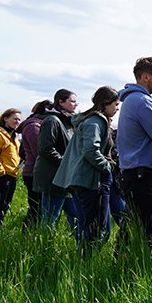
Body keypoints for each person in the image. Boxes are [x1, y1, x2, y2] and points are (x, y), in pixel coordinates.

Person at [52, 87, 120, 254]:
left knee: (90, 227)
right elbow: (90, 151)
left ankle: (84, 261)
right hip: (91, 179)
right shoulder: (95, 122)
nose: (117, 108)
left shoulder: (91, 121)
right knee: (95, 230)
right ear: (105, 103)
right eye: (116, 104)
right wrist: (108, 167)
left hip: (86, 178)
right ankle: (87, 264)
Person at [116, 57, 152, 248]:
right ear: (145, 77)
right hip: (144, 173)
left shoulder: (130, 100)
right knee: (143, 228)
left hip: (133, 171)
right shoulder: (143, 102)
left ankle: (122, 266)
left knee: (132, 224)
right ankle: (136, 268)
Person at [34, 89, 81, 229]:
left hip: (65, 178)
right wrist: (65, 163)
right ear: (60, 101)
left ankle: (81, 247)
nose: (75, 105)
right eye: (72, 101)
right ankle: (44, 248)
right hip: (53, 178)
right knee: (50, 220)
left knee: (77, 216)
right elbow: (46, 148)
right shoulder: (52, 120)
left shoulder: (66, 122)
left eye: (76, 102)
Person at [16, 100, 52, 228]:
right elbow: (39, 152)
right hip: (33, 172)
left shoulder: (36, 124)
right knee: (36, 208)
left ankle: (31, 232)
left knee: (39, 207)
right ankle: (28, 234)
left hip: (35, 171)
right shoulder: (33, 127)